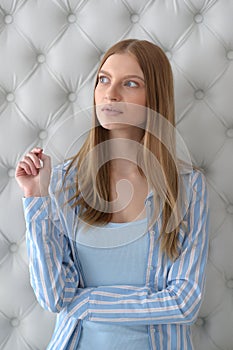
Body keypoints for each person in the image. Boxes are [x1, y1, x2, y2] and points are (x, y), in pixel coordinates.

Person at [15, 39, 209, 350]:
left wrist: (83, 301)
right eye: (104, 79)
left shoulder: (188, 187)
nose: (111, 93)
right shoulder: (64, 181)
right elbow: (53, 297)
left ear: (154, 98)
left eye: (130, 83)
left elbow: (184, 303)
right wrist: (36, 197)